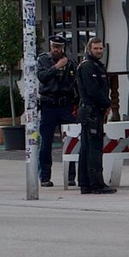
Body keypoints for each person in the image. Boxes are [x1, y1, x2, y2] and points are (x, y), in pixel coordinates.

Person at [36, 34, 78, 188]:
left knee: (70, 142)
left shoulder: (70, 61)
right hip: (48, 105)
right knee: (45, 143)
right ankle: (45, 177)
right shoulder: (43, 60)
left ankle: (71, 176)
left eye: (59, 47)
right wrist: (56, 67)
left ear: (63, 48)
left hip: (65, 105)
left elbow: (76, 83)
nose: (56, 50)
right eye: (54, 47)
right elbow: (42, 77)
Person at [76, 37, 116, 195]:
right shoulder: (87, 67)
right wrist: (107, 104)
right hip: (91, 111)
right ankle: (96, 184)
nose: (99, 51)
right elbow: (93, 90)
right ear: (89, 49)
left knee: (88, 148)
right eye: (96, 48)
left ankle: (86, 183)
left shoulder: (96, 66)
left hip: (93, 111)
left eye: (101, 49)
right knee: (93, 149)